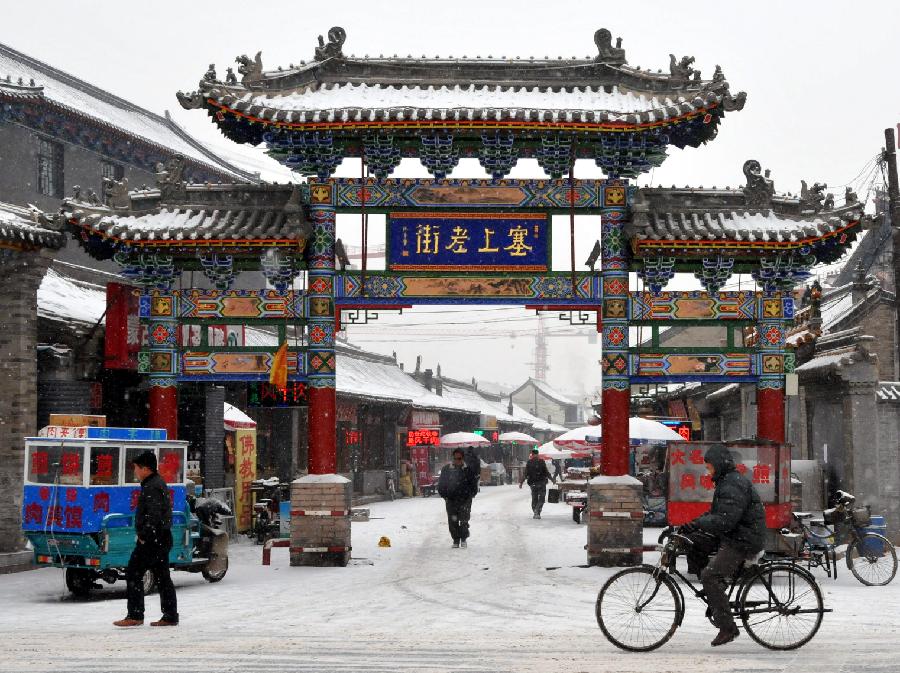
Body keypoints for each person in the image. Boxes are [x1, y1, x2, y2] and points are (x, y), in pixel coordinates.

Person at [680, 444, 765, 647]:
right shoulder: (727, 482)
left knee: (711, 575)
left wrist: (699, 523)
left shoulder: (732, 485)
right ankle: (716, 593)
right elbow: (716, 514)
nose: (708, 471)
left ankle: (727, 627)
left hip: (743, 539)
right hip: (737, 534)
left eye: (709, 467)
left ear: (718, 465)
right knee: (697, 547)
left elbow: (725, 520)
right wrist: (693, 525)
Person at [114, 450, 179, 627]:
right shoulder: (155, 483)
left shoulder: (152, 486)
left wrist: (144, 536)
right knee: (162, 577)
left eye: (136, 467)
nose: (135, 471)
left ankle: (135, 615)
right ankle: (170, 615)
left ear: (145, 468)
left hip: (153, 540)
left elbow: (154, 515)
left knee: (134, 573)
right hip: (160, 538)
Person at [437, 447, 479, 548]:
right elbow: (441, 484)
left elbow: (473, 485)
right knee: (453, 521)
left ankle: (464, 538)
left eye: (459, 459)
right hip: (451, 500)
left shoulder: (468, 470)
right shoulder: (446, 469)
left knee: (464, 519)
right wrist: (445, 496)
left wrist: (471, 495)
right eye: (455, 459)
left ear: (463, 459)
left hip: (465, 499)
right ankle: (456, 539)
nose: (457, 461)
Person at [519, 448, 556, 519]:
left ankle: (536, 511)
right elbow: (546, 472)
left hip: (533, 483)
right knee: (541, 498)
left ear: (532, 455)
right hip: (541, 483)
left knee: (534, 498)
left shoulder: (529, 462)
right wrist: (552, 479)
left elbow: (525, 474)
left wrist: (521, 482)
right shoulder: (541, 462)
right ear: (537, 454)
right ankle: (537, 511)